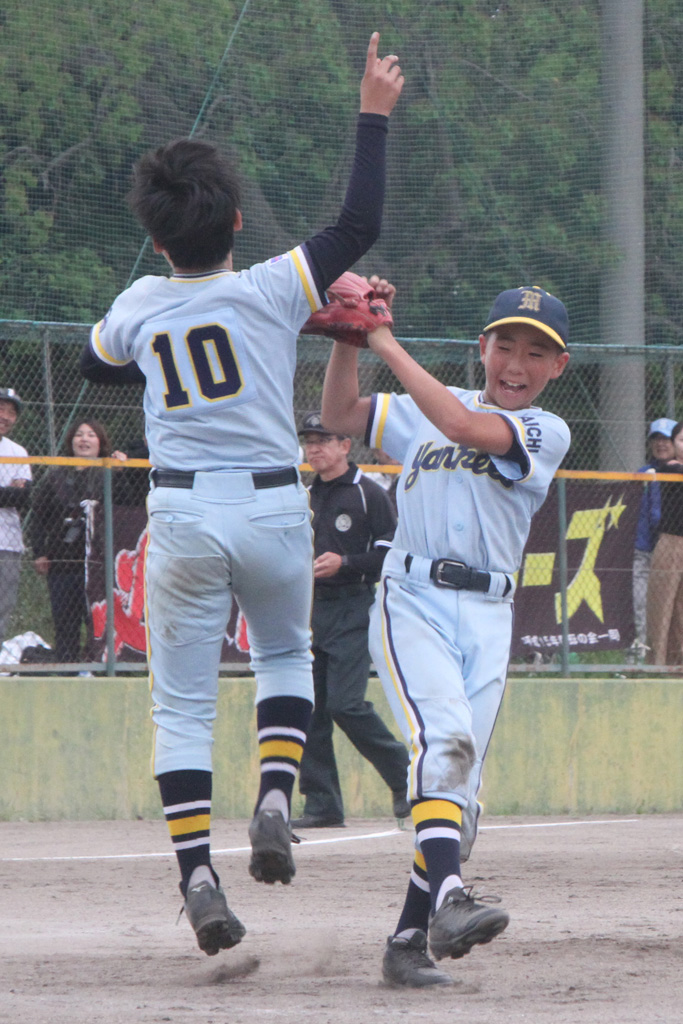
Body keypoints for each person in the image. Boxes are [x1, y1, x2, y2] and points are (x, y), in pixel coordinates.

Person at [80, 34, 404, 958]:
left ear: (155, 235)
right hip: (271, 506)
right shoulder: (269, 287)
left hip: (181, 512)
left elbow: (99, 366)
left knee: (180, 708)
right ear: (231, 226)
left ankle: (198, 880)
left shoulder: (141, 300)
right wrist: (372, 115)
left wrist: (151, 340)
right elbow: (357, 225)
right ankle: (273, 797)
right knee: (286, 659)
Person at [321, 281, 570, 986]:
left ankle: (407, 940)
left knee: (460, 795)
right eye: (505, 345)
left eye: (534, 352)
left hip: (490, 613)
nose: (516, 363)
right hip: (414, 598)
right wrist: (349, 341)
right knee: (445, 744)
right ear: (480, 348)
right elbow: (338, 412)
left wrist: (381, 339)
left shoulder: (546, 430)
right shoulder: (417, 414)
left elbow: (464, 429)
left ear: (558, 367)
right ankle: (450, 898)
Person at [292, 411, 409, 829]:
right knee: (310, 710)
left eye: (323, 439)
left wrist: (345, 563)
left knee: (345, 703)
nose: (314, 448)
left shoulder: (369, 494)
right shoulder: (303, 494)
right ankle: (322, 803)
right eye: (309, 441)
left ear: (345, 445)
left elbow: (389, 557)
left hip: (353, 607)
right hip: (309, 611)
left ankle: (405, 776)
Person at [30, 421, 126, 663]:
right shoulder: (56, 475)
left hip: (98, 566)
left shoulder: (109, 472)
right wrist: (40, 552)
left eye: (91, 435)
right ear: (71, 441)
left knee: (99, 624)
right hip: (63, 563)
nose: (84, 439)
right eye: (79, 435)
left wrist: (121, 468)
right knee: (65, 623)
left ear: (100, 442)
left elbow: (128, 503)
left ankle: (99, 670)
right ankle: (67, 669)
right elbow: (38, 517)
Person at [632, 418, 676, 647]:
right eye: (656, 439)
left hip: (673, 552)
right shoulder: (643, 473)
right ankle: (643, 648)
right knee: (641, 602)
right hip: (644, 549)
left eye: (666, 439)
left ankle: (669, 651)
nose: (661, 444)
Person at [646, 421, 683, 665]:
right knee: (662, 606)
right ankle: (657, 664)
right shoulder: (669, 467)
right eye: (681, 440)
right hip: (672, 543)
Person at [0, 388, 32, 649]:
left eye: (11, 412)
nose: (5, 416)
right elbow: (14, 494)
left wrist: (13, 494)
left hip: (8, 540)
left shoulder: (18, 451)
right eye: (1, 409)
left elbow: (25, 497)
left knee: (4, 603)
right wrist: (10, 491)